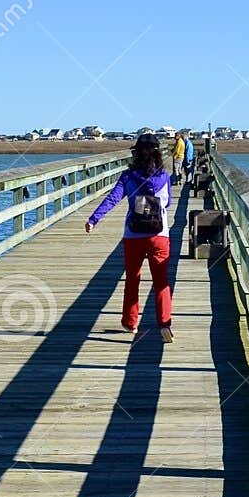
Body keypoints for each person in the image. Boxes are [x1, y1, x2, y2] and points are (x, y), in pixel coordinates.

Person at [85, 133, 175, 342]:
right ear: (157, 153)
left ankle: (131, 322)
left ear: (136, 153)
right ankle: (165, 323)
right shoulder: (164, 176)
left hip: (133, 234)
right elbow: (168, 202)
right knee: (161, 280)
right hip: (159, 234)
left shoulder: (128, 176)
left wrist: (93, 219)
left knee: (132, 278)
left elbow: (112, 199)